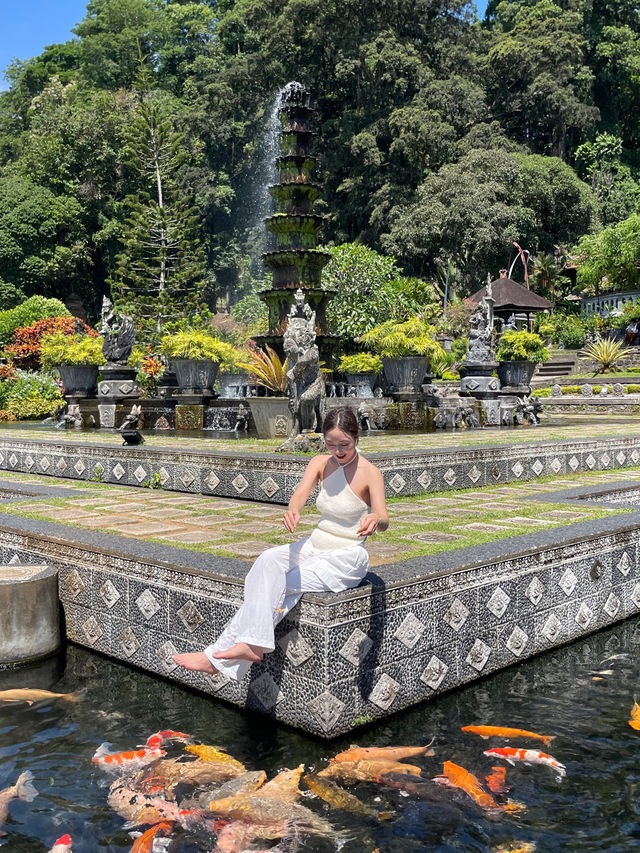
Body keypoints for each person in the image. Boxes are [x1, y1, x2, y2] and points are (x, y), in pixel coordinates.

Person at [172, 406, 388, 681]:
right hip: (315, 544)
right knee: (266, 561)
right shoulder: (320, 463)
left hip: (345, 557)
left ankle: (217, 656)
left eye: (344, 444)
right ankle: (251, 645)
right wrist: (293, 509)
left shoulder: (371, 473)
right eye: (331, 444)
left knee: (279, 584)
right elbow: (300, 494)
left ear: (356, 438)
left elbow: (383, 517)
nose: (338, 451)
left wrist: (374, 519)